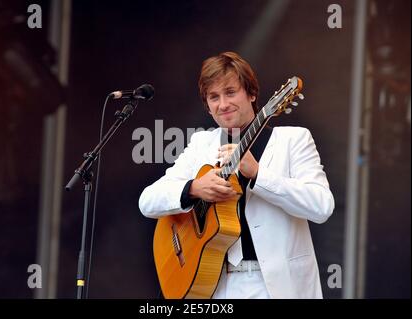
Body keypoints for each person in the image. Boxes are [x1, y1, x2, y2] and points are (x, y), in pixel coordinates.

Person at [138, 51, 335, 299]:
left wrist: (258, 175)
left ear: (252, 94)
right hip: (215, 286)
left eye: (231, 92)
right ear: (207, 106)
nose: (223, 104)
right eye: (214, 97)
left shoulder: (293, 139)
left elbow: (322, 206)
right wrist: (194, 188)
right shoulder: (201, 144)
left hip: (277, 286)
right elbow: (147, 201)